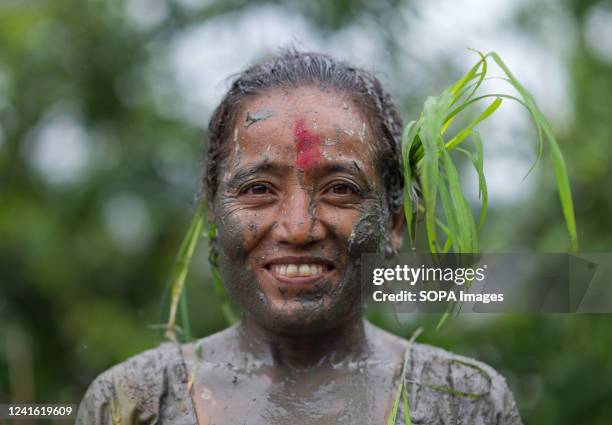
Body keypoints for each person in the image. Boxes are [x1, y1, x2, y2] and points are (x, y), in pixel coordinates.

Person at [76, 50, 522, 425]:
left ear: (394, 223)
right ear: (214, 216)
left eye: (340, 190)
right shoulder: (133, 403)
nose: (299, 228)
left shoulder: (465, 403)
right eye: (258, 190)